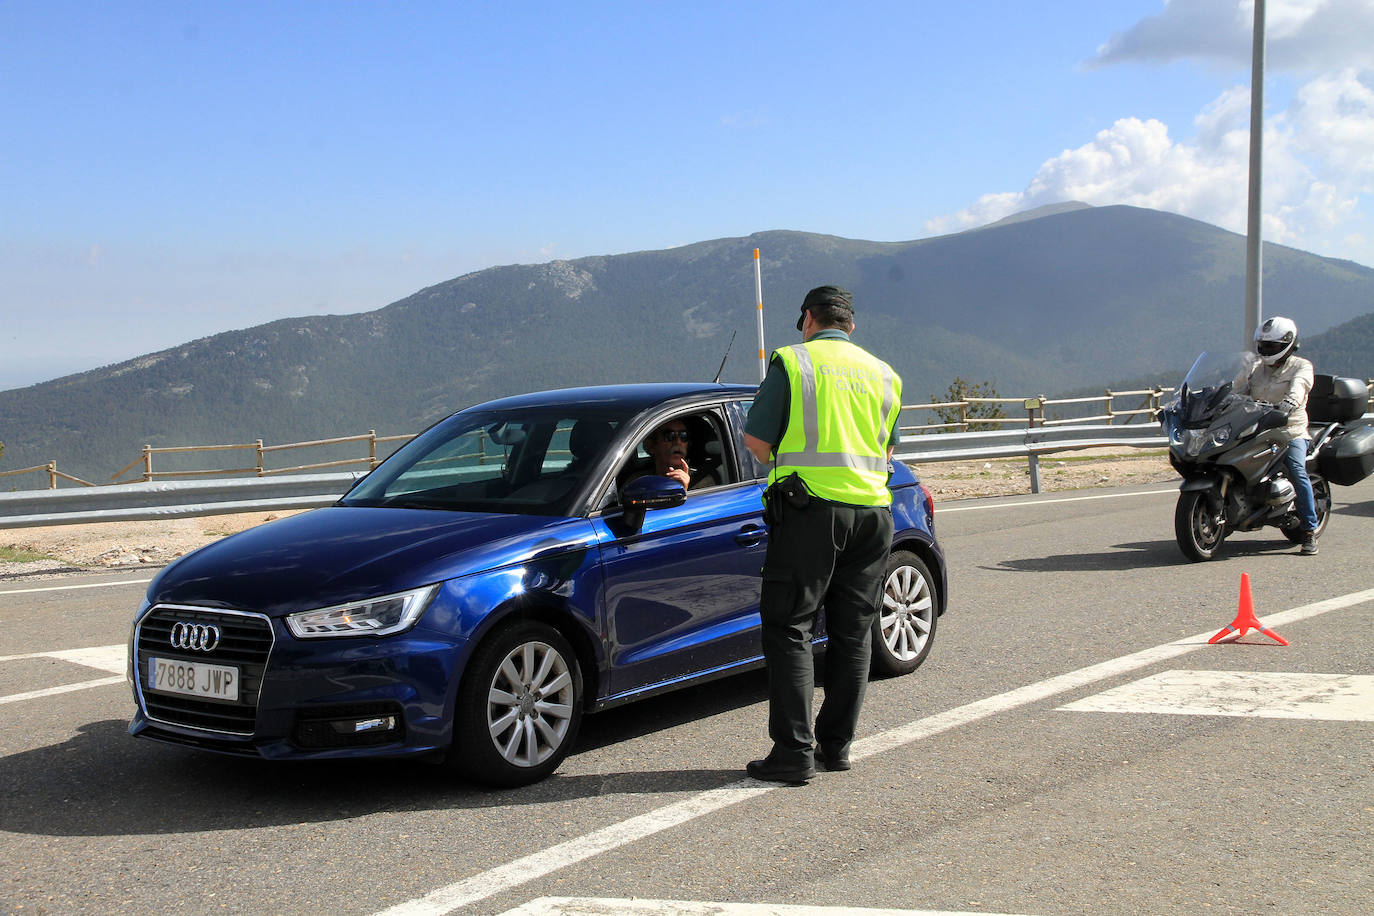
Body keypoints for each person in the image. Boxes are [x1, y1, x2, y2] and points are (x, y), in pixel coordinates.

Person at [742, 285, 902, 784]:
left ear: (807, 319)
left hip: (812, 511)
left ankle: (793, 752)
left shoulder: (794, 362)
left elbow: (756, 441)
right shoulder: (884, 374)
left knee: (790, 626)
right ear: (850, 325)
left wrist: (787, 469)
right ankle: (837, 746)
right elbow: (888, 450)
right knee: (854, 633)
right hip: (874, 514)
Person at [1237, 316, 1319, 555]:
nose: (1266, 350)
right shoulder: (1254, 367)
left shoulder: (1301, 366)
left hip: (1289, 431)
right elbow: (1238, 390)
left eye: (1271, 346)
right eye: (1263, 345)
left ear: (1288, 344)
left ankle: (1309, 531)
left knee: (1296, 469)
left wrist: (1290, 402)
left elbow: (1300, 386)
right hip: (1256, 428)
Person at [621, 419, 718, 491]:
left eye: (683, 436)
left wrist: (683, 491)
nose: (678, 442)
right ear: (651, 446)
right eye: (669, 436)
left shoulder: (704, 482)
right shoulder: (637, 482)